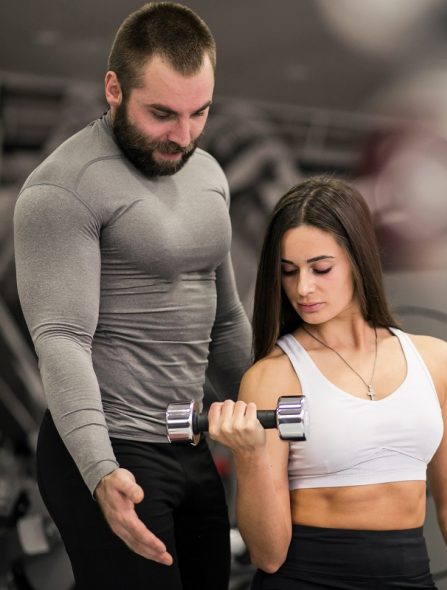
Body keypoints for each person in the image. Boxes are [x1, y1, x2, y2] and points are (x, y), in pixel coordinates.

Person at [13, 3, 251, 589]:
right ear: (114, 88)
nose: (184, 135)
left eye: (200, 113)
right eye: (163, 114)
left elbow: (226, 322)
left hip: (187, 441)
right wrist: (99, 471)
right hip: (108, 444)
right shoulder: (62, 187)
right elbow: (61, 340)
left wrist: (269, 412)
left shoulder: (210, 175)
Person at [207, 176, 447, 589]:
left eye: (321, 268)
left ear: (358, 258)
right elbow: (267, 555)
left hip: (410, 577)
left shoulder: (435, 360)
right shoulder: (272, 377)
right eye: (289, 272)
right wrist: (250, 455)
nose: (303, 288)